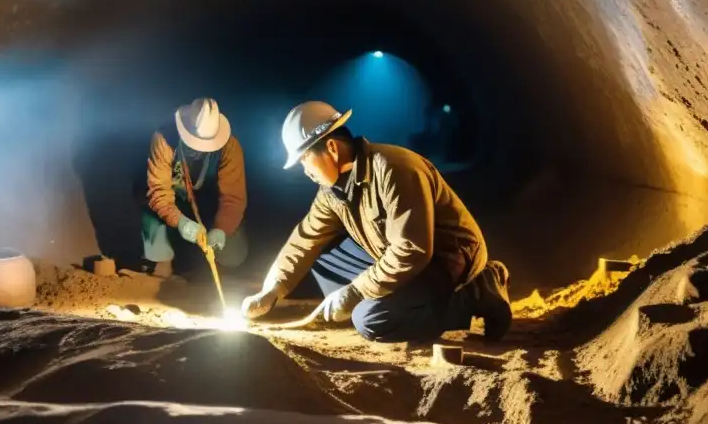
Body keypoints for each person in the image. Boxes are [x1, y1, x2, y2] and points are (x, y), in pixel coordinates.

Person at [241, 100, 512, 342]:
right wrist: (271, 291)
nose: (305, 171)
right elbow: (305, 240)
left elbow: (412, 249)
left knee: (371, 319)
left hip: (449, 256)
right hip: (407, 257)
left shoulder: (395, 170)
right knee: (328, 271)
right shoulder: (332, 191)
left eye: (304, 160)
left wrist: (355, 292)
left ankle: (477, 292)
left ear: (332, 148)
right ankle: (415, 300)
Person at [142, 97, 249, 278]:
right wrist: (180, 221)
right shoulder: (164, 138)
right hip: (173, 201)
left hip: (209, 203)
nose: (199, 150)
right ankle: (161, 259)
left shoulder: (230, 146)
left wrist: (222, 228)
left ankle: (210, 264)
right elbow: (158, 190)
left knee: (233, 254)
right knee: (153, 216)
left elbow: (233, 197)